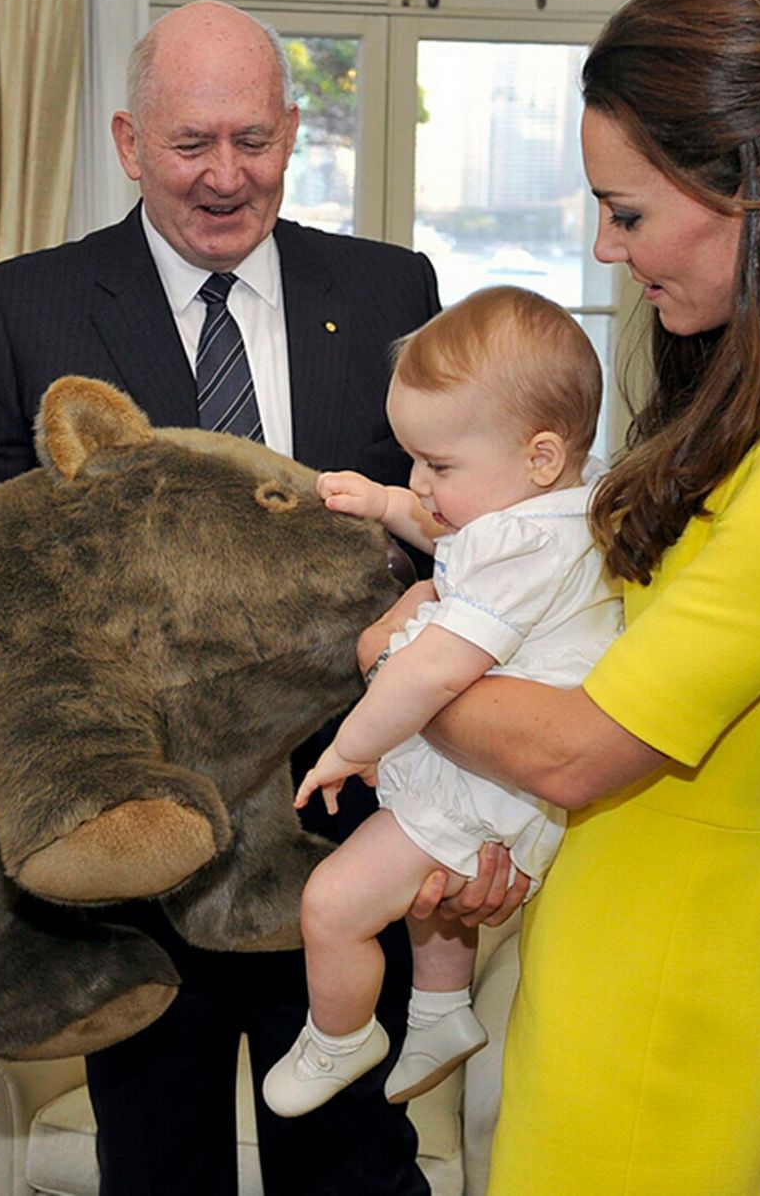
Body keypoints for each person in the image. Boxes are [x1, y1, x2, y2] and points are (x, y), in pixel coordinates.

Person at [349, 0, 760, 1193]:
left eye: (627, 212)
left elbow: (579, 751)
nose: (605, 247)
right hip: (597, 931)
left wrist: (394, 657)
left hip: (662, 984)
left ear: (759, 188)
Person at [0, 0, 524, 1196]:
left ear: (292, 131)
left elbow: (468, 544)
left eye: (252, 139)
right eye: (190, 143)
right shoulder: (22, 307)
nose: (224, 175)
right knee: (159, 1165)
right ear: (127, 141)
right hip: (137, 846)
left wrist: (477, 798)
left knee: (352, 1165)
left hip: (350, 825)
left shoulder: (390, 288)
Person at [260, 287, 620, 1118]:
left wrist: (350, 746)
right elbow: (457, 540)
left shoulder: (520, 546)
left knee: (332, 904)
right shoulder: (558, 509)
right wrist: (389, 504)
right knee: (429, 897)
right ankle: (440, 1009)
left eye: (439, 467)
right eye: (413, 463)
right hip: (504, 779)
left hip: (488, 780)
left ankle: (340, 1036)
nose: (420, 482)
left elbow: (428, 675)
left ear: (539, 454)